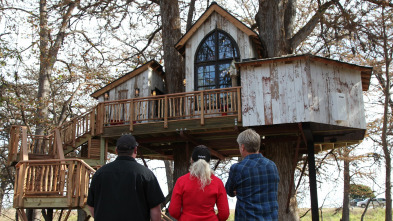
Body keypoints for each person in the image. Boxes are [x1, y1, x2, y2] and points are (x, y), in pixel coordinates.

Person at [87, 134, 165, 221]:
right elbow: (155, 210)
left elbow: (91, 206)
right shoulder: (146, 174)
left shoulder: (99, 174)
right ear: (135, 150)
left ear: (116, 151)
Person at [225, 129, 280, 221]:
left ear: (242, 147)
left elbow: (229, 191)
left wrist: (238, 190)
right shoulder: (272, 166)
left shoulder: (238, 168)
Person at [169, 145, 229, 221]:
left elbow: (174, 211)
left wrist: (184, 218)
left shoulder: (181, 181)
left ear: (192, 161)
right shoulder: (217, 182)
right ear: (209, 162)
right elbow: (224, 214)